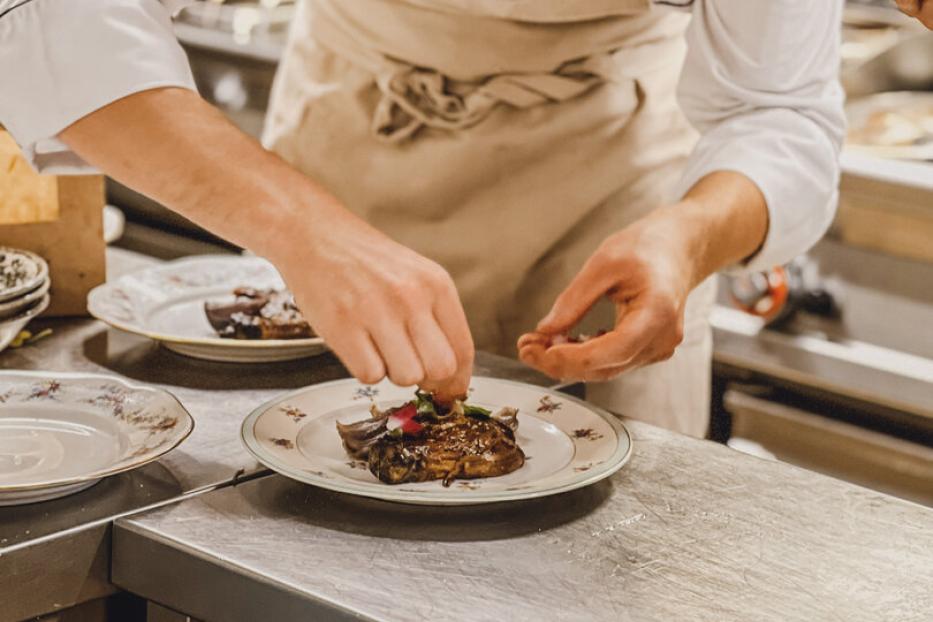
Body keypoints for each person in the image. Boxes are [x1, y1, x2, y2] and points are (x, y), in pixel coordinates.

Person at [0, 0, 844, 438]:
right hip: (349, 133)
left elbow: (780, 110)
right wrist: (303, 231)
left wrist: (690, 235)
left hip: (610, 176)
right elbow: (54, 18)